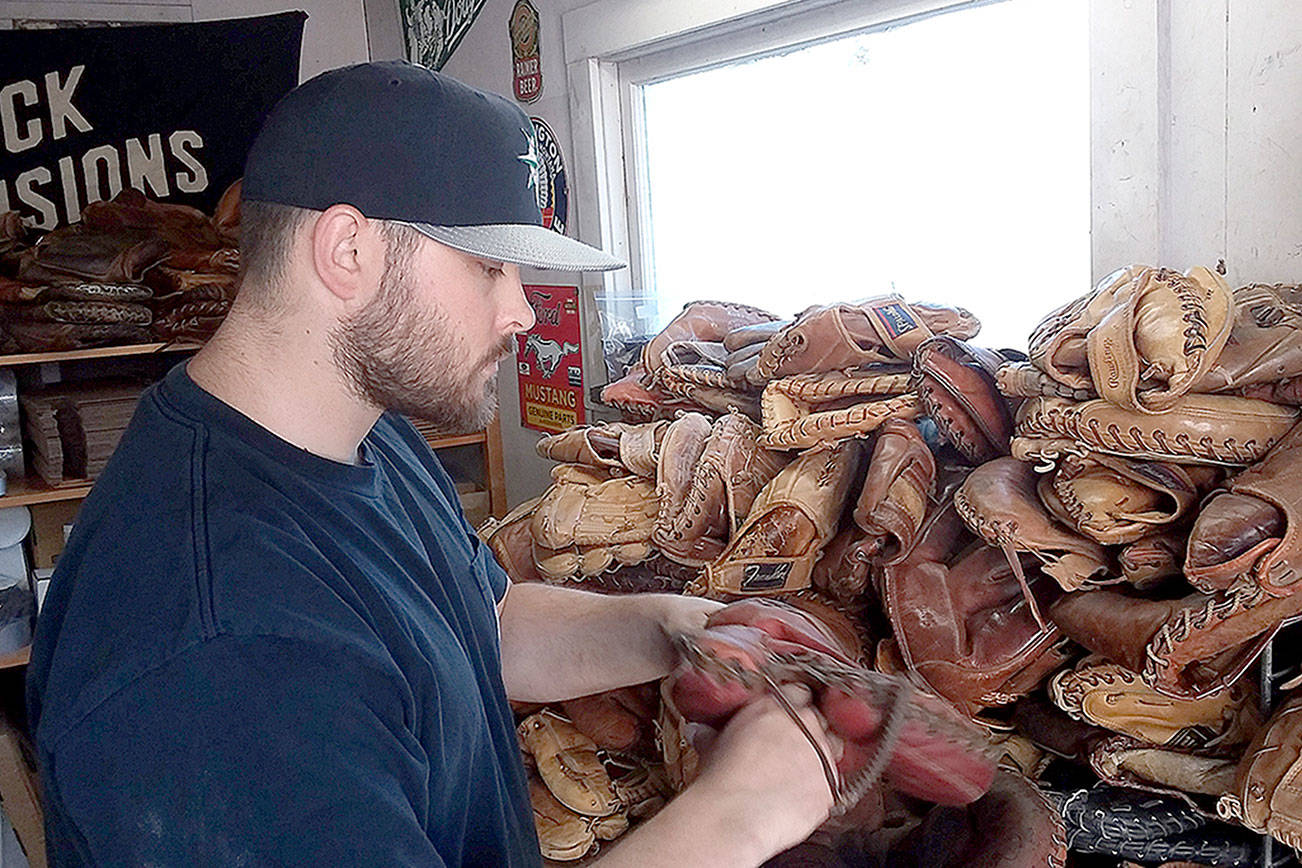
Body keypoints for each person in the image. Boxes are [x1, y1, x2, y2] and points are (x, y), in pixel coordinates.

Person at [26, 62, 840, 866]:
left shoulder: (364, 435)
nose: (521, 309)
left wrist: (673, 629)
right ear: (347, 249)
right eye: (488, 266)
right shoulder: (217, 642)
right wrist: (741, 815)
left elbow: (481, 627)